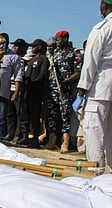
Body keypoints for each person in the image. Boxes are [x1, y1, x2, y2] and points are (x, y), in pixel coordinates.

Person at [73, 0, 112, 175]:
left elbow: (90, 62)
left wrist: (82, 90)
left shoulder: (102, 29)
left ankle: (97, 177)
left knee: (94, 134)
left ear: (104, 6)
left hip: (99, 90)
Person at [45, 30, 82, 153]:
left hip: (65, 90)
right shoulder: (55, 53)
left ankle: (65, 142)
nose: (57, 42)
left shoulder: (74, 53)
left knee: (65, 115)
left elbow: (78, 72)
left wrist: (67, 81)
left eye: (59, 39)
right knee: (52, 114)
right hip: (53, 89)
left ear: (65, 39)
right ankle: (52, 140)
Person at [0, 33, 22, 142]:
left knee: (1, 117)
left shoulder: (13, 57)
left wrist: (16, 92)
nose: (1, 44)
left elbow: (18, 76)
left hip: (3, 92)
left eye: (3, 42)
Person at [23, 39, 50, 148]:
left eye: (34, 46)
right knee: (26, 114)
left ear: (39, 47)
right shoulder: (32, 59)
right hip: (28, 90)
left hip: (37, 91)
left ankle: (35, 138)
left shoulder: (44, 60)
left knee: (35, 115)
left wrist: (34, 83)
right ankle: (26, 136)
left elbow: (42, 75)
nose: (32, 49)